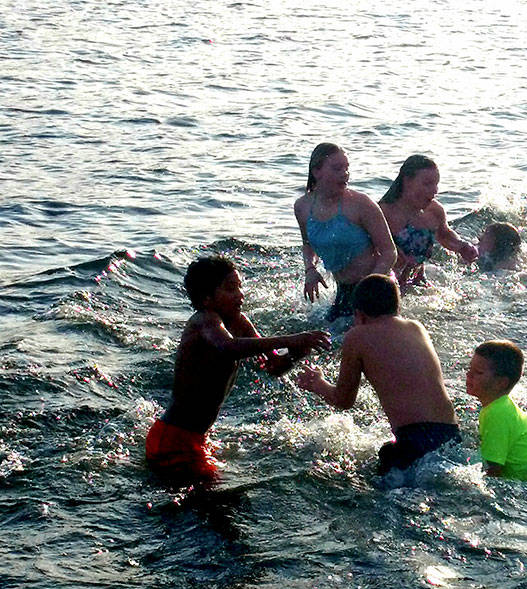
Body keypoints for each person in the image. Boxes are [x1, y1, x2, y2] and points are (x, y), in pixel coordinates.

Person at [146, 256, 330, 484]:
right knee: (212, 506)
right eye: (231, 289)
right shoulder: (204, 321)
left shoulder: (240, 322)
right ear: (206, 298)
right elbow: (228, 347)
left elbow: (274, 367)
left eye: (240, 287)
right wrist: (292, 339)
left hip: (197, 437)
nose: (240, 294)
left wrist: (297, 352)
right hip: (172, 439)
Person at [296, 274, 460, 474]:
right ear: (397, 308)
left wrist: (317, 383)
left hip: (414, 440)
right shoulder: (417, 328)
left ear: (358, 315)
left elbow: (343, 400)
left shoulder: (356, 336)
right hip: (451, 434)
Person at [292, 143, 397, 321]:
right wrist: (310, 269)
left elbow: (389, 252)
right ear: (317, 171)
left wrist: (370, 285)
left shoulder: (362, 204)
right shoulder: (302, 207)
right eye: (337, 168)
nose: (345, 174)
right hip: (344, 291)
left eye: (346, 168)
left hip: (376, 291)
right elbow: (308, 245)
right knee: (326, 340)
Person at [466, 340, 527, 480]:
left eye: (478, 372)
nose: (469, 375)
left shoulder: (496, 413)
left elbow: (493, 469)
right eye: (470, 369)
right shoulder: (501, 405)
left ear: (501, 383)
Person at [378, 155, 479, 285]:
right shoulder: (383, 213)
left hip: (419, 281)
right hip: (387, 284)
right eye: (427, 184)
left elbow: (444, 235)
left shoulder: (434, 211)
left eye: (436, 184)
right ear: (407, 181)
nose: (434, 190)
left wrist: (462, 246)